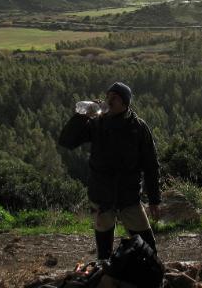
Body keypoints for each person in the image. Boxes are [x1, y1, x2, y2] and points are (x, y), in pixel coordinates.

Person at [58, 81, 161, 260]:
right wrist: (81, 117)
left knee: (149, 249)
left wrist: (154, 199)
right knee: (104, 254)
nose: (108, 101)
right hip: (102, 198)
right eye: (108, 97)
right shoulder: (97, 124)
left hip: (129, 198)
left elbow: (151, 165)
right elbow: (67, 141)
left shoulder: (138, 128)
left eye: (114, 98)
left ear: (125, 103)